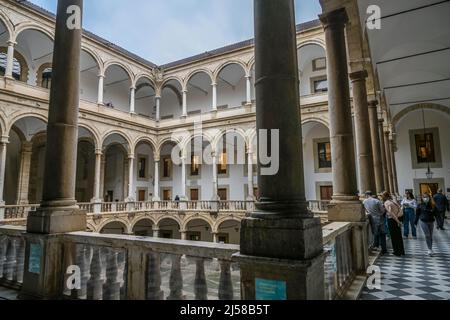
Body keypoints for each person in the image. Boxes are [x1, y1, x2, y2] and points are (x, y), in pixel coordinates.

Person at [382, 191, 405, 257]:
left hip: (392, 220)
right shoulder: (393, 201)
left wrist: (397, 221)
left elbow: (390, 213)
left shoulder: (386, 202)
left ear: (384, 196)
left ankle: (397, 252)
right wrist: (398, 219)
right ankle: (401, 251)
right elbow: (400, 208)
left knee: (394, 236)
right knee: (398, 236)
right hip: (397, 218)